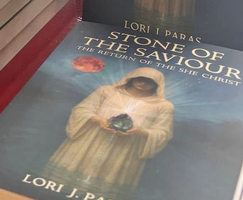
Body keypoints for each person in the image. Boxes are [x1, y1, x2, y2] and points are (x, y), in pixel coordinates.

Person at [42, 68, 174, 189]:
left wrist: (139, 131)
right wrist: (99, 120)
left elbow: (163, 132)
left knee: (103, 184)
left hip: (125, 149)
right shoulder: (106, 91)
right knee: (64, 180)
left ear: (157, 84)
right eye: (140, 78)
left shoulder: (164, 106)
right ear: (131, 77)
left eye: (149, 81)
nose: (143, 83)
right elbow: (81, 109)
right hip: (91, 139)